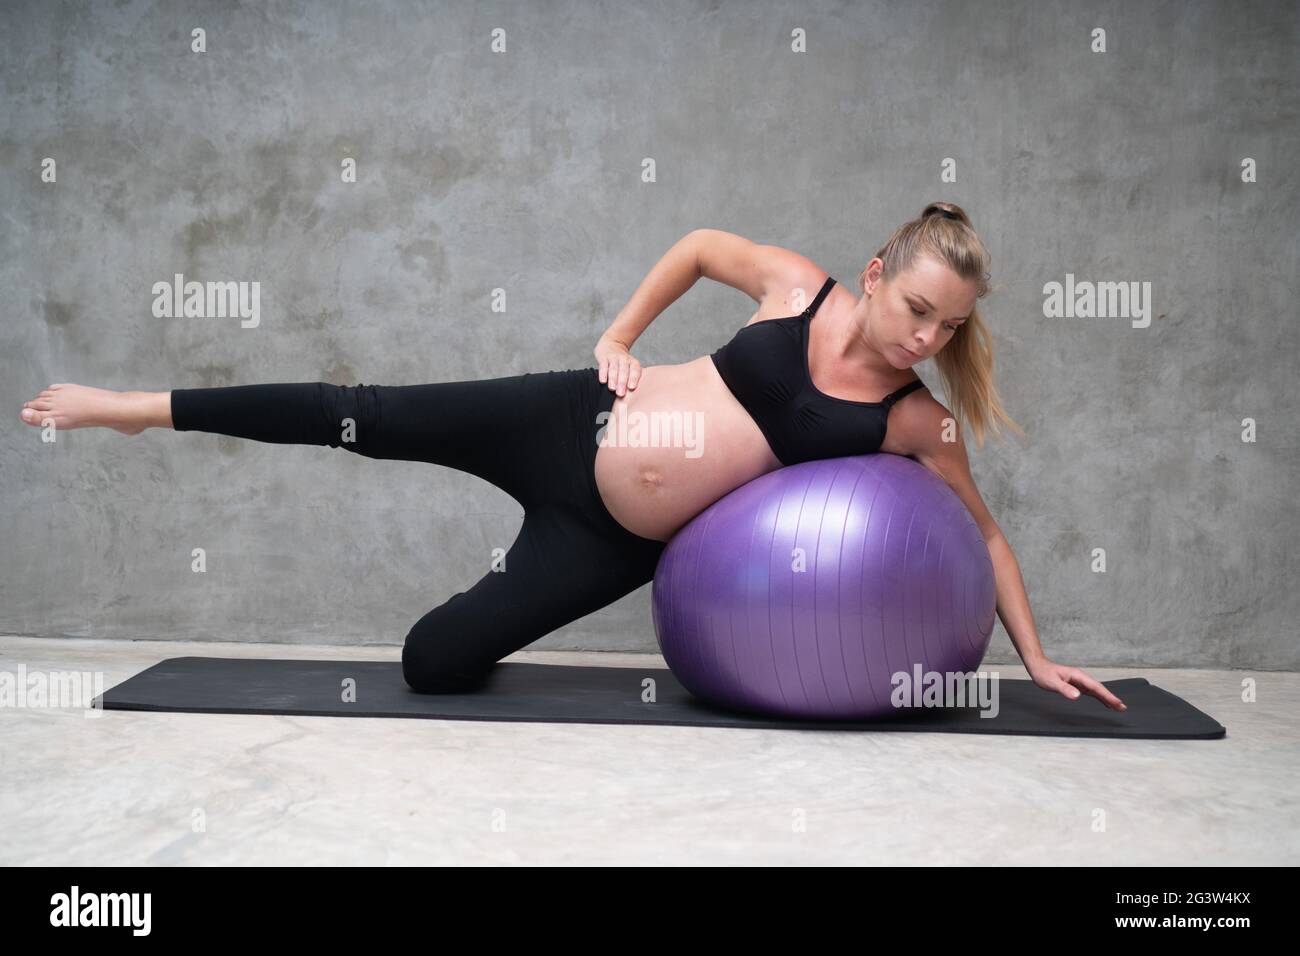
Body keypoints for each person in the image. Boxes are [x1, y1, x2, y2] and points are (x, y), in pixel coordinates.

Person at [20, 201, 1126, 711]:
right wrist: (618, 337)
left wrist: (1030, 655)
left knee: (431, 663)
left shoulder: (910, 420)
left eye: (948, 327)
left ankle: (490, 599)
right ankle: (135, 406)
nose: (927, 338)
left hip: (603, 538)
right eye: (920, 307)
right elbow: (698, 244)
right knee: (361, 412)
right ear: (879, 269)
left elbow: (982, 530)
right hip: (560, 422)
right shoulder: (799, 285)